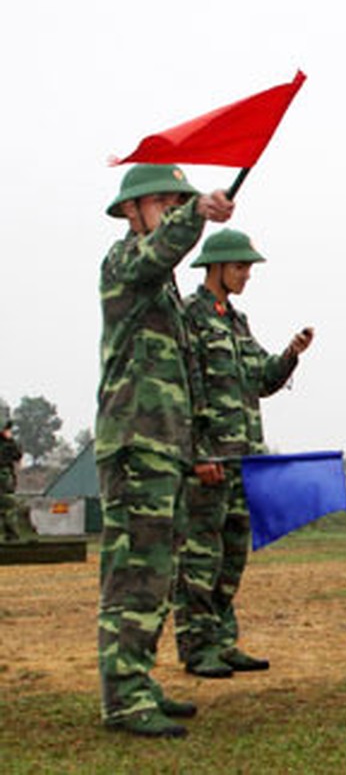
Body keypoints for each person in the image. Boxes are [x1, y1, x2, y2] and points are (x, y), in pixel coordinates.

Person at [97, 163, 234, 738]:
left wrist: (195, 448)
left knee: (160, 573)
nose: (173, 207)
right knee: (134, 574)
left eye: (179, 199)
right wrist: (196, 214)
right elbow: (158, 253)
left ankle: (139, 677)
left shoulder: (165, 289)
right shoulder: (124, 262)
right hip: (134, 444)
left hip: (166, 448)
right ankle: (123, 697)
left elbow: (185, 375)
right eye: (163, 201)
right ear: (132, 210)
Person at [174, 228, 313, 678]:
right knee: (200, 557)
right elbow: (185, 388)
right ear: (215, 268)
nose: (247, 274)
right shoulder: (190, 317)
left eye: (249, 267)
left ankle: (222, 640)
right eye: (240, 267)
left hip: (244, 461)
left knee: (232, 556)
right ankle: (196, 648)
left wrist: (292, 353)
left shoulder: (237, 322)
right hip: (210, 462)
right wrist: (198, 453)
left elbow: (263, 380)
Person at [0, 421, 24, 541]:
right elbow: (17, 455)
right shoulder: (7, 444)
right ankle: (12, 536)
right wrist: (10, 440)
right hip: (3, 474)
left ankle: (10, 535)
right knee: (8, 505)